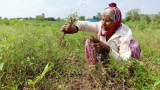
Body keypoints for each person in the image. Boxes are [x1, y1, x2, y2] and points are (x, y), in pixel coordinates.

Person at [61, 3, 141, 65]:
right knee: (89, 41)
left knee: (134, 46)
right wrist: (75, 28)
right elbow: (86, 24)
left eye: (107, 21)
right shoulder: (101, 26)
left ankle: (119, 73)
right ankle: (96, 68)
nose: (103, 23)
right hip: (104, 57)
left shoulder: (124, 34)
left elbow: (125, 60)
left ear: (115, 22)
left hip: (117, 62)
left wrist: (107, 49)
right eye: (103, 19)